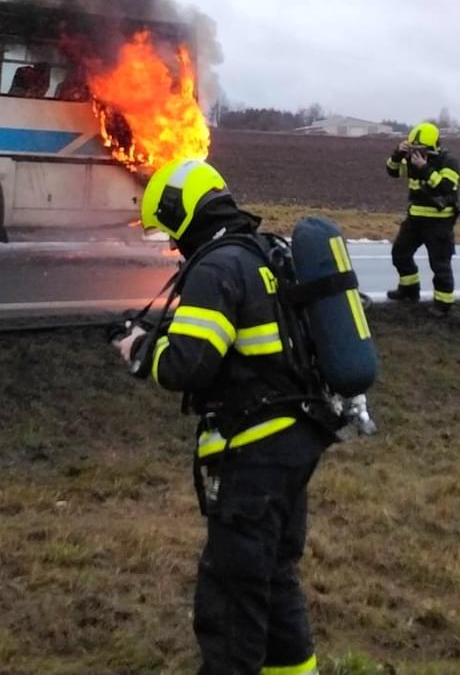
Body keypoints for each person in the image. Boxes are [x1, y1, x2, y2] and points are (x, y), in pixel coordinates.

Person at [115, 158, 329, 675]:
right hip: (296, 441)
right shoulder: (264, 252)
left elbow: (187, 364)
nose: (173, 246)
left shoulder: (215, 268)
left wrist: (137, 348)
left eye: (171, 232)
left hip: (253, 454)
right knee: (274, 576)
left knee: (232, 595)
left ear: (181, 214)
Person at [383, 122, 460, 313]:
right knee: (400, 254)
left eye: (421, 148)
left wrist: (425, 168)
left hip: (439, 222)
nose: (417, 152)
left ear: (433, 145)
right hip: (415, 219)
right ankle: (409, 290)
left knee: (440, 264)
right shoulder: (412, 160)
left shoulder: (448, 161)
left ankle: (443, 304)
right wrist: (398, 154)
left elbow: (445, 187)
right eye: (413, 147)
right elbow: (393, 171)